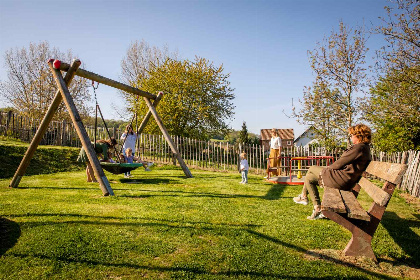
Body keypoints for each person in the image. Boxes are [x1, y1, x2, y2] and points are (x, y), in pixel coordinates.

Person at [293, 124, 372, 220]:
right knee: (309, 178)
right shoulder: (363, 148)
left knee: (312, 168)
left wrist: (327, 169)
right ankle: (317, 207)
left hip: (342, 180)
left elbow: (339, 164)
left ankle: (304, 196)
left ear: (359, 135)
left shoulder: (359, 148)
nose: (350, 137)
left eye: (351, 135)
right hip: (345, 179)